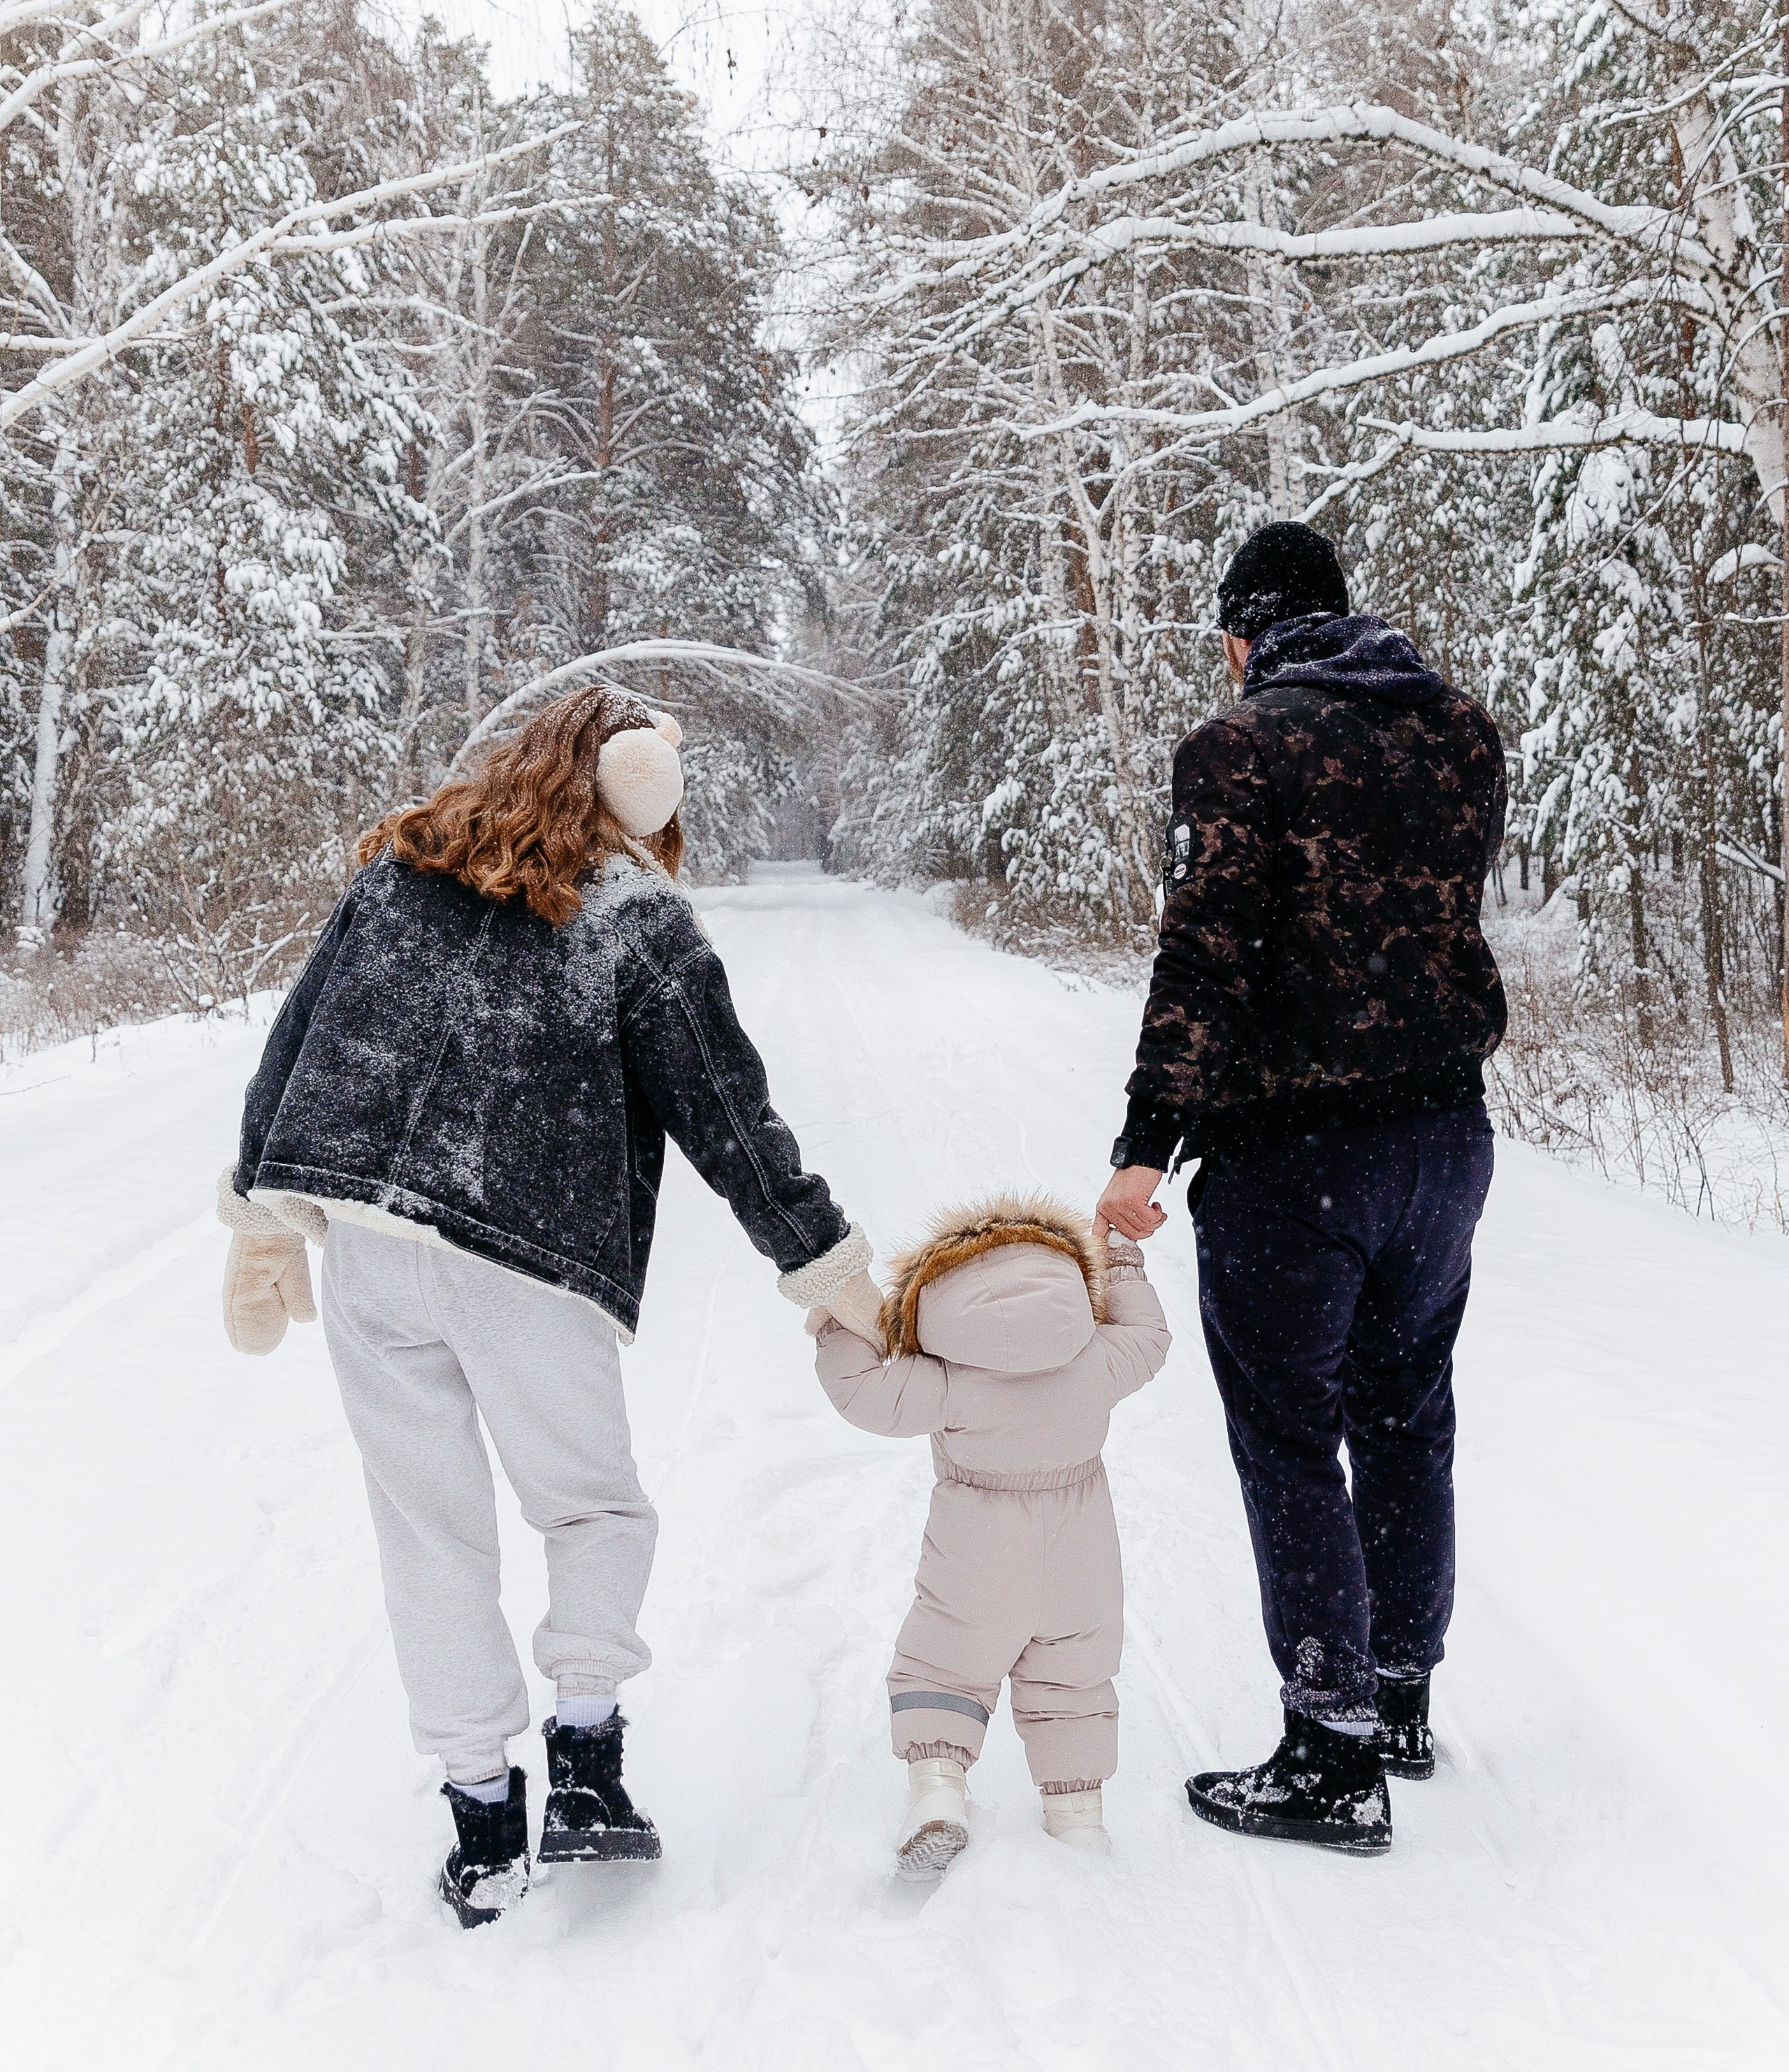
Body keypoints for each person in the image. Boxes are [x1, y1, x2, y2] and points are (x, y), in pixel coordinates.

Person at [216, 683, 872, 1926]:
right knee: (592, 1507)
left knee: (428, 1529)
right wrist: (822, 1258)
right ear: (636, 787)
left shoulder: (403, 864)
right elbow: (729, 1116)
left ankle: (479, 1823)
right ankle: (584, 1767)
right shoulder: (634, 917)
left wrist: (261, 1205)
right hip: (525, 1251)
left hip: (368, 1241)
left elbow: (298, 1041)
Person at [1095, 521, 1507, 1856]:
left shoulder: (1238, 747)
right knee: (1407, 1410)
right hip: (1445, 1139)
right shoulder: (1460, 732)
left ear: (1244, 634)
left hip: (1292, 1155)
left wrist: (1147, 1145)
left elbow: (1204, 957)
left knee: (1288, 1434)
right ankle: (1399, 1698)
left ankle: (1330, 1755)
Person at [807, 1194, 1171, 1870]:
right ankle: (1078, 1819)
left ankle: (939, 1791)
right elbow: (1149, 1339)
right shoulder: (1093, 1360)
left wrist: (839, 1319)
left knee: (944, 1664)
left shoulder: (944, 1377)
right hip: (1081, 1558)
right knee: (1074, 1682)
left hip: (976, 1554)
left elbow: (861, 1392)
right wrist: (1119, 1260)